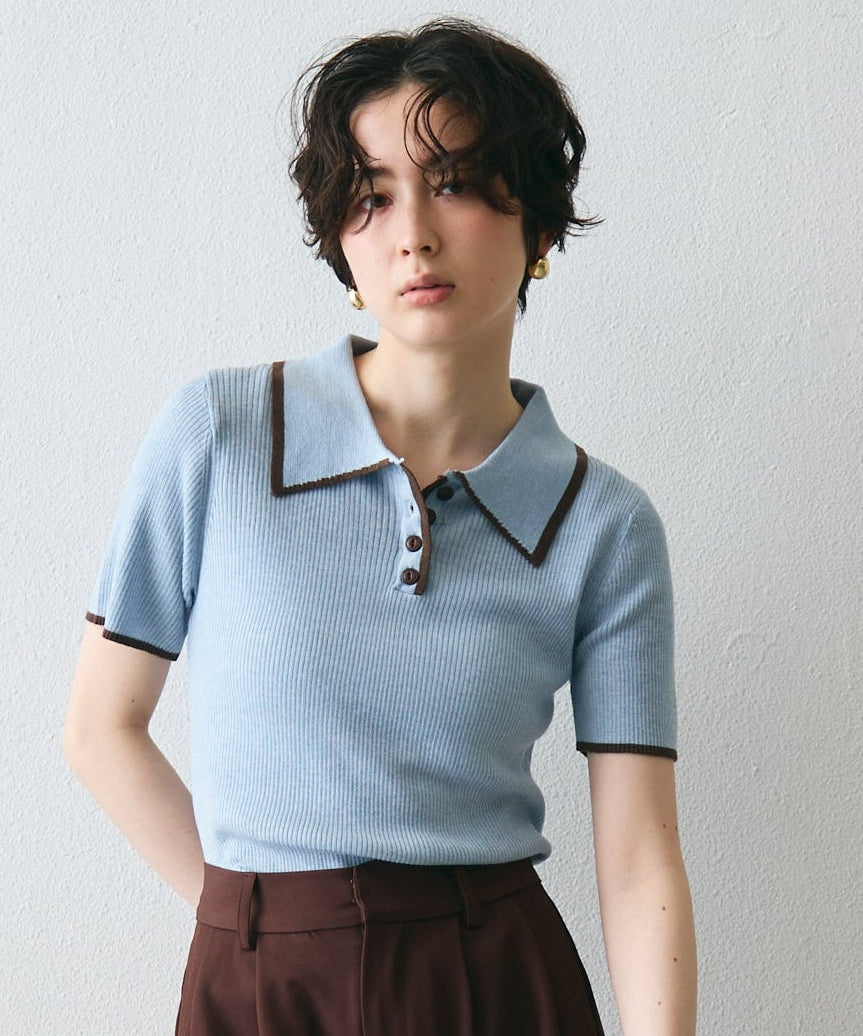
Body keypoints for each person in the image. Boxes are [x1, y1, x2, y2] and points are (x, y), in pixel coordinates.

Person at [64, 17, 696, 1036]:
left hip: (495, 985)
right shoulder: (220, 435)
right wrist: (256, 924)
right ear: (340, 243)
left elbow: (636, 858)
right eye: (370, 196)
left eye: (454, 182)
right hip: (259, 983)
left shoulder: (603, 523)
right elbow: (100, 729)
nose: (412, 234)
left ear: (538, 228)